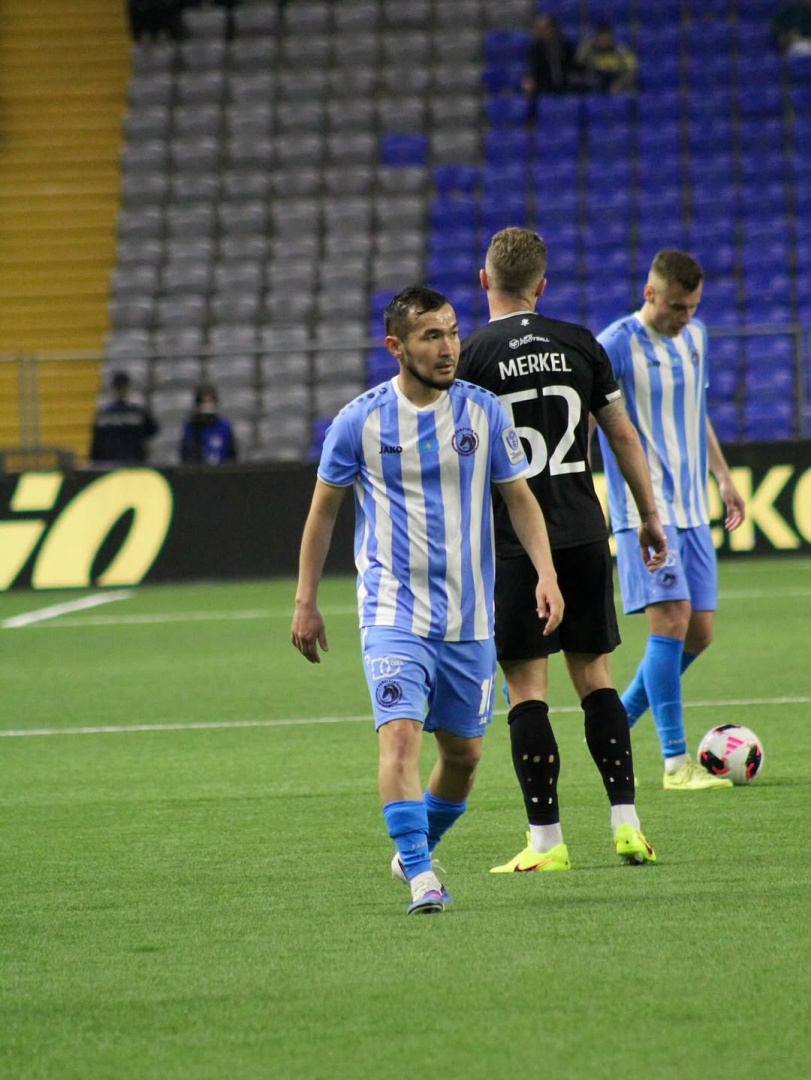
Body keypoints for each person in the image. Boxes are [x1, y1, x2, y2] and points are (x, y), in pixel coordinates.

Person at [291, 285, 564, 915]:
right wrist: (306, 598)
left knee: (464, 757)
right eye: (431, 336)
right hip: (392, 611)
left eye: (452, 333)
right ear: (397, 346)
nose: (448, 348)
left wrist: (546, 574)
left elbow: (520, 499)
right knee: (399, 739)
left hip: (470, 616)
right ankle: (421, 876)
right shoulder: (359, 421)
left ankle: (415, 847)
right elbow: (322, 512)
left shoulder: (484, 412)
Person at [456, 227, 667, 873]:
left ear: (484, 280)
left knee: (526, 687)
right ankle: (627, 825)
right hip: (582, 530)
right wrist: (648, 516)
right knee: (595, 676)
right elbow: (622, 434)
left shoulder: (469, 356)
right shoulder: (579, 343)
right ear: (541, 285)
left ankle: (546, 841)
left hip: (514, 543)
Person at [596, 250, 746, 790]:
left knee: (699, 632)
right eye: (677, 307)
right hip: (644, 511)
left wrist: (723, 477)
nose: (685, 317)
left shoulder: (696, 338)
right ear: (650, 293)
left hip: (692, 508)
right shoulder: (614, 346)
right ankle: (676, 764)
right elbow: (590, 420)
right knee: (672, 620)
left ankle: (618, 719)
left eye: (693, 307)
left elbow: (694, 414)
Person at [90, 371, 159, 465]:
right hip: (131, 463)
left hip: (114, 464)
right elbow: (152, 430)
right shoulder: (137, 411)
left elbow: (96, 445)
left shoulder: (104, 414)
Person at [521, 14, 579, 103]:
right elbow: (531, 66)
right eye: (539, 29)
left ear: (553, 29)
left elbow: (574, 65)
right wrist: (529, 79)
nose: (541, 32)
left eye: (544, 29)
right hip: (544, 86)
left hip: (565, 85)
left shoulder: (564, 45)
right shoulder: (536, 48)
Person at [179, 384, 237, 465]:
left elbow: (232, 455)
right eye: (204, 403)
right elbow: (186, 456)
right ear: (198, 406)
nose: (207, 407)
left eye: (210, 402)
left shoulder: (224, 426)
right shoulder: (191, 428)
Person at [576, 21, 637, 93]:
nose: (603, 42)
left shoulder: (621, 52)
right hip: (594, 83)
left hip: (615, 83)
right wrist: (585, 47)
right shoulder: (589, 50)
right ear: (596, 38)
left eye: (606, 39)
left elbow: (630, 72)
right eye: (600, 39)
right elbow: (578, 63)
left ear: (611, 38)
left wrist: (620, 83)